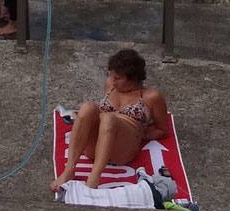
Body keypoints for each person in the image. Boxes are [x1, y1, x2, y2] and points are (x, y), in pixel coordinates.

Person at [52, 48, 170, 191]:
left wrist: (141, 135)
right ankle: (69, 170)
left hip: (123, 148)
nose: (113, 82)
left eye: (118, 78)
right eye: (112, 77)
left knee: (108, 118)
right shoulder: (110, 84)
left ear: (132, 77)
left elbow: (163, 130)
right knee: (87, 107)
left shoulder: (151, 96)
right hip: (98, 144)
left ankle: (94, 179)